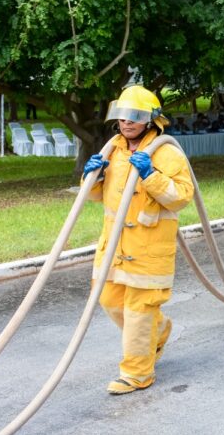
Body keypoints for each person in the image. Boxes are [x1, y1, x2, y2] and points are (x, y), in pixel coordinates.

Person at [81, 85, 194, 394]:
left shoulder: (166, 151)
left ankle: (137, 374)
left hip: (148, 251)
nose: (126, 122)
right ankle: (159, 331)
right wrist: (93, 177)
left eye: (134, 117)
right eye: (122, 117)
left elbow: (182, 196)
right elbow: (95, 196)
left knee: (138, 312)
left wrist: (150, 176)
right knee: (109, 301)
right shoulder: (113, 149)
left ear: (151, 120)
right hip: (114, 250)